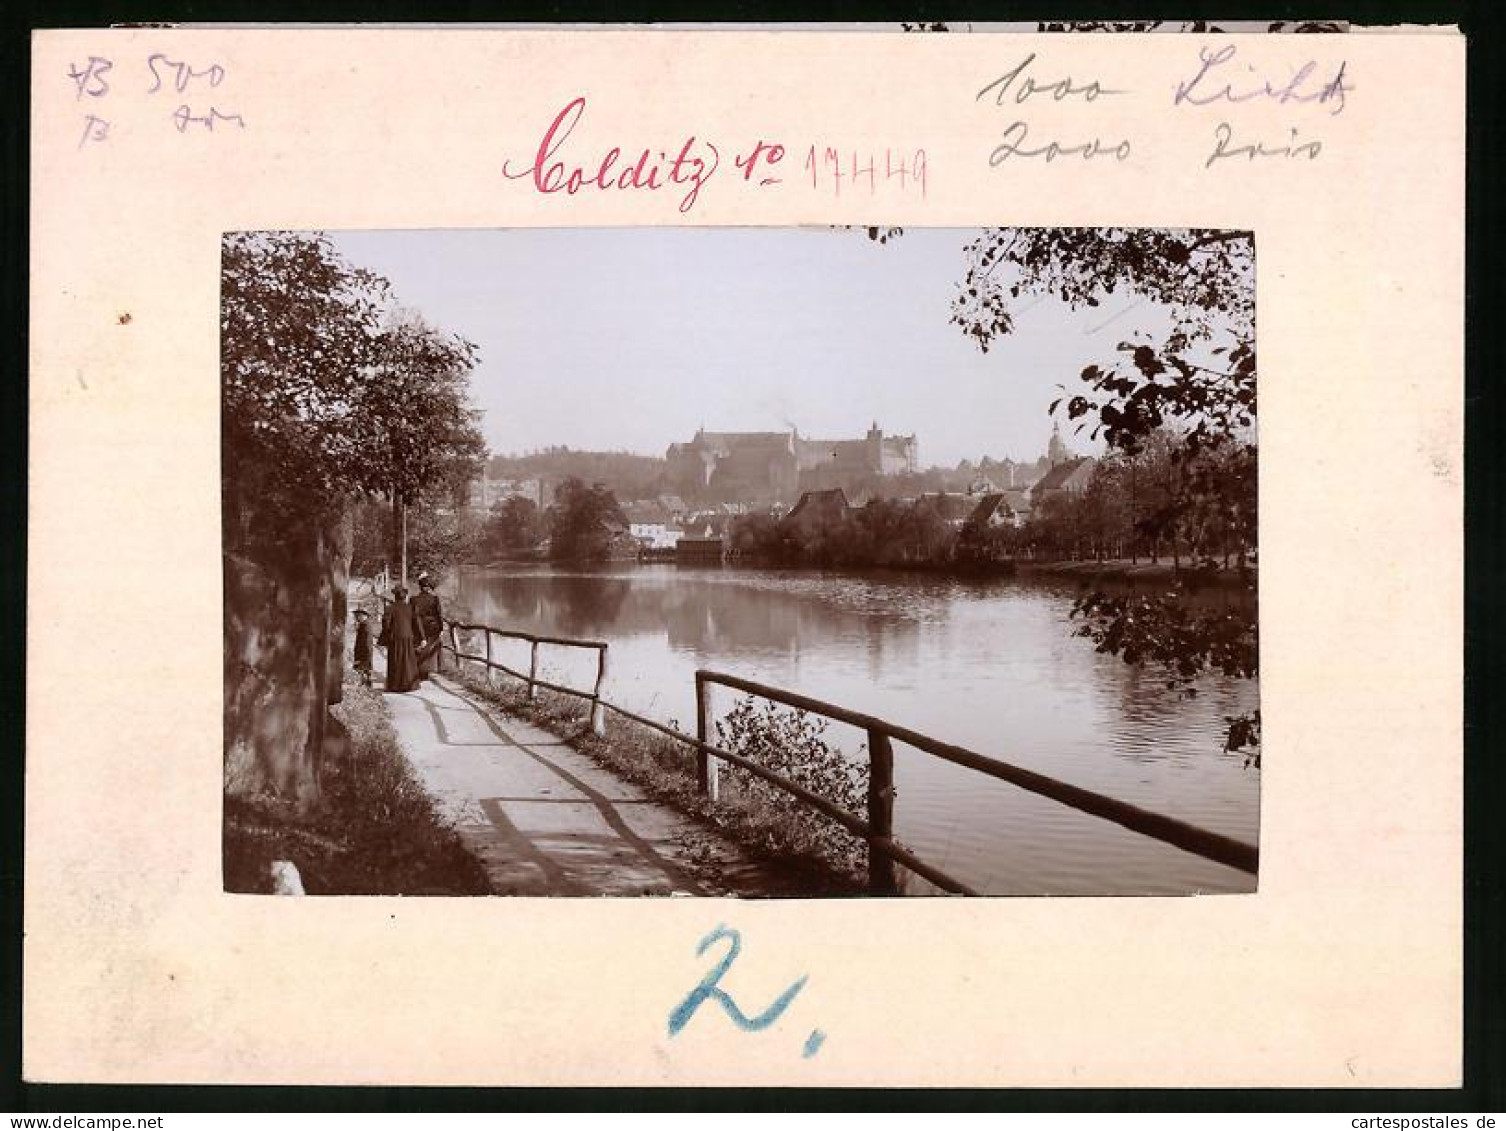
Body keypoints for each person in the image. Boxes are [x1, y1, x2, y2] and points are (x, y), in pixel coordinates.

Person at [378, 586, 421, 693]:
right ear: (405, 596)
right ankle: (410, 685)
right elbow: (417, 624)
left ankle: (395, 686)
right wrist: (421, 638)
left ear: (395, 596)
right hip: (408, 637)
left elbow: (386, 625)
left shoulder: (390, 608)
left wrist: (384, 639)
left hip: (395, 638)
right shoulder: (411, 607)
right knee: (408, 661)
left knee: (395, 660)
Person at [411, 573, 444, 681]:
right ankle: (428, 670)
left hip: (418, 625)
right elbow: (439, 614)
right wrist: (441, 628)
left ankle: (420, 671)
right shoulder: (435, 599)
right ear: (429, 587)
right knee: (430, 648)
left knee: (420, 648)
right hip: (432, 626)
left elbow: (412, 615)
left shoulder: (414, 599)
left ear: (420, 587)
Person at [352, 608, 374, 687]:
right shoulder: (363, 625)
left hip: (364, 650)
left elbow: (367, 641)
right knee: (363, 668)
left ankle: (366, 683)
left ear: (364, 615)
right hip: (362, 650)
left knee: (364, 668)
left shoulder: (366, 625)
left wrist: (366, 651)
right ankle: (365, 682)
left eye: (358, 616)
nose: (357, 618)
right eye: (356, 616)